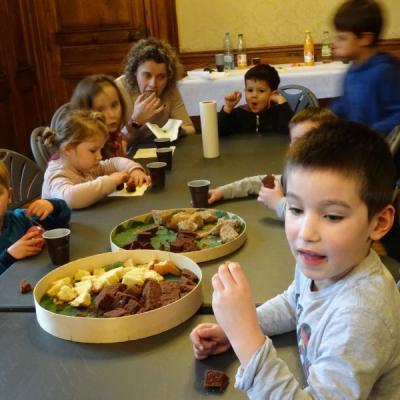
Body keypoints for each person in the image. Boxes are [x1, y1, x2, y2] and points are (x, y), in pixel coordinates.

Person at [190, 121, 400, 398]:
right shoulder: (324, 264)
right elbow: (295, 302)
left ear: (379, 222)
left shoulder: (361, 317)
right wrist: (241, 328)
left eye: (333, 216)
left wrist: (246, 339)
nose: (306, 232)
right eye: (296, 208)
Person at [209, 108, 337, 220]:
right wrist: (222, 192)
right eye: (297, 141)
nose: (302, 147)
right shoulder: (298, 171)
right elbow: (261, 182)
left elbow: (309, 217)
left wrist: (278, 203)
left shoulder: (330, 179)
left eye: (310, 141)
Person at [42, 110, 151, 209]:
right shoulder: (57, 174)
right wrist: (110, 181)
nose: (99, 156)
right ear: (69, 149)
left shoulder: (84, 165)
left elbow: (114, 162)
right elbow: (69, 198)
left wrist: (134, 170)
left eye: (100, 150)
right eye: (93, 151)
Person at [330, 0, 400, 135]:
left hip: (380, 150)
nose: (335, 43)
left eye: (342, 38)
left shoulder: (385, 71)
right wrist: (329, 114)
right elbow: (346, 103)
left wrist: (372, 131)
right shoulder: (352, 69)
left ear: (365, 39)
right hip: (359, 146)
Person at [115, 37, 195, 147]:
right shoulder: (118, 89)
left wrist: (168, 132)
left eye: (161, 77)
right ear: (134, 72)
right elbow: (115, 146)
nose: (153, 84)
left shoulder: (169, 89)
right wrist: (136, 121)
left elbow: (190, 129)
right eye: (147, 75)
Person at [0, 161, 71, 274]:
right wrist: (8, 257)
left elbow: (59, 225)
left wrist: (52, 206)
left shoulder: (22, 218)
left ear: (9, 196)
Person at [218, 64, 293, 136]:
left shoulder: (279, 113)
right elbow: (220, 132)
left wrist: (282, 102)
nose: (254, 95)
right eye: (250, 90)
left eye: (261, 91)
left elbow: (291, 132)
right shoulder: (238, 114)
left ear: (273, 94)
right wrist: (228, 107)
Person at [70, 74, 128, 159]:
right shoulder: (82, 148)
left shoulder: (115, 138)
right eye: (100, 110)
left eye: (114, 105)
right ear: (85, 112)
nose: (112, 114)